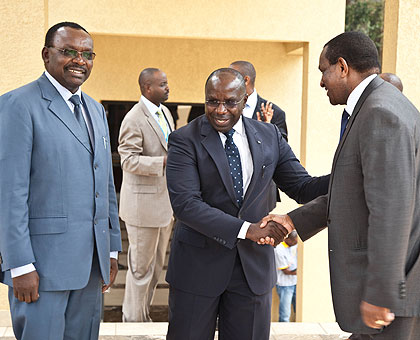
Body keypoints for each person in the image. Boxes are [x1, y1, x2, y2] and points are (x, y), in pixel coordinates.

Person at [262, 31, 420, 340]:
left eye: (324, 70)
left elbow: (391, 211)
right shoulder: (380, 105)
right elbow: (353, 187)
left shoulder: (380, 113)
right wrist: (294, 219)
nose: (321, 81)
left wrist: (381, 292)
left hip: (395, 294)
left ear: (343, 67)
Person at [165, 67, 329, 340]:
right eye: (212, 101)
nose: (220, 109)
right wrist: (248, 229)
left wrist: (347, 175)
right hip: (196, 269)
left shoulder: (270, 136)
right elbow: (185, 205)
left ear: (245, 99)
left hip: (253, 271)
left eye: (230, 102)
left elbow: (303, 187)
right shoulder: (184, 140)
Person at [0, 22, 121, 340]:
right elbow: (9, 191)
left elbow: (104, 184)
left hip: (91, 266)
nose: (79, 60)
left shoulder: (96, 110)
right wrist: (19, 264)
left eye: (86, 54)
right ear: (46, 54)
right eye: (69, 52)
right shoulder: (17, 105)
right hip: (42, 269)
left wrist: (110, 251)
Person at [118, 68, 174, 322]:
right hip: (142, 208)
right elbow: (128, 160)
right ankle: (132, 322)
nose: (167, 88)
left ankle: (143, 316)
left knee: (154, 270)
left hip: (164, 207)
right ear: (146, 88)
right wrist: (163, 162)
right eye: (162, 84)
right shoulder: (133, 118)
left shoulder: (165, 113)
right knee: (140, 270)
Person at [229, 60, 288, 140]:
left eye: (231, 78)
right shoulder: (220, 108)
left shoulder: (276, 114)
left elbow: (282, 150)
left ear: (246, 80)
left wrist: (267, 130)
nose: (227, 81)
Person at [274, 230, 298, 322]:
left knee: (297, 308)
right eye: (295, 241)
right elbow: (286, 271)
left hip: (295, 282)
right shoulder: (279, 250)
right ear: (288, 240)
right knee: (285, 314)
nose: (296, 243)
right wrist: (300, 273)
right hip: (284, 285)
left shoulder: (293, 246)